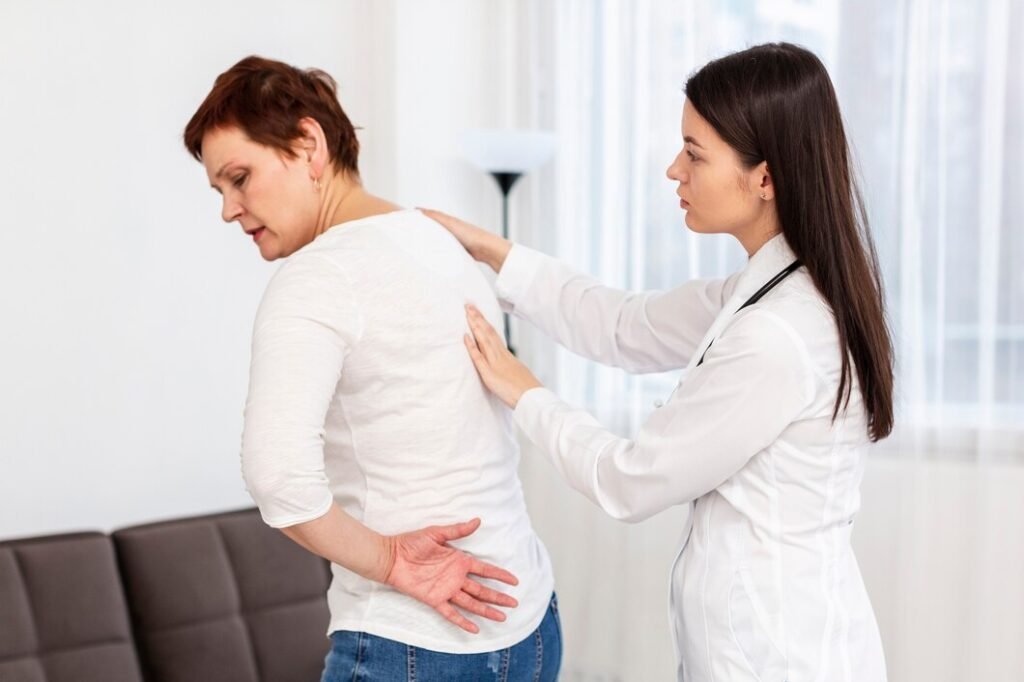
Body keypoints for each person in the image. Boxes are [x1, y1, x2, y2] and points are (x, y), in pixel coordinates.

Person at [425, 42, 893, 682]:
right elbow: (622, 324)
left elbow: (631, 480)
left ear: (765, 177)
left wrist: (524, 392)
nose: (675, 169)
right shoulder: (761, 293)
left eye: (695, 154)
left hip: (779, 661)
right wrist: (492, 250)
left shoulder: (778, 334)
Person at [183, 56, 560, 681]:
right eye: (219, 190)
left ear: (309, 145)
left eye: (240, 178)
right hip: (528, 622)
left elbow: (277, 478)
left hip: (411, 639)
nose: (229, 209)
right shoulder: (440, 238)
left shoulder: (317, 274)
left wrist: (388, 561)